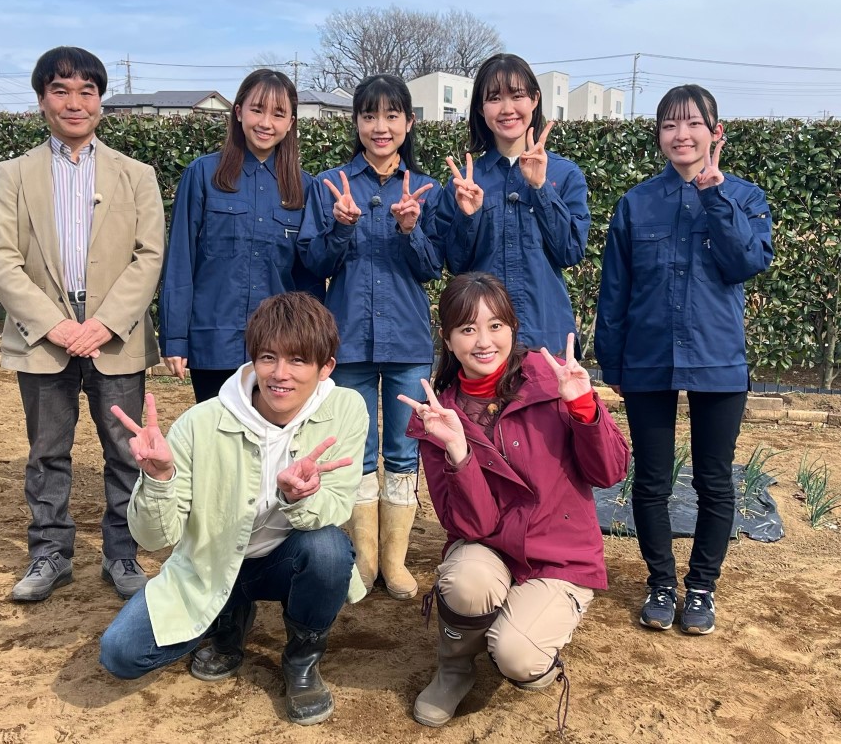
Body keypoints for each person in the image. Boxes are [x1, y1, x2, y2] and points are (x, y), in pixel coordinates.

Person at [99, 292, 369, 727]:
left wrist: (295, 497)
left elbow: (335, 506)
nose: (281, 375)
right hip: (212, 566)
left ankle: (302, 659)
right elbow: (153, 539)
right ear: (253, 360)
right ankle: (228, 618)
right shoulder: (199, 423)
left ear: (326, 368)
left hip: (288, 560)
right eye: (268, 358)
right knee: (120, 654)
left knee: (328, 549)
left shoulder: (346, 410)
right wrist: (159, 478)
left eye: (299, 361)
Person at [401, 272, 629, 728]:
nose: (484, 342)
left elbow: (610, 472)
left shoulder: (552, 380)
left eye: (496, 326)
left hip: (559, 552)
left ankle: (523, 635)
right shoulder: (440, 416)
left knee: (517, 656)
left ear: (512, 329)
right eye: (467, 329)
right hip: (490, 546)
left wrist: (584, 406)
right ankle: (454, 667)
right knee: (466, 581)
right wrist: (459, 451)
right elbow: (472, 526)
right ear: (447, 339)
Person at [0, 46, 165, 603]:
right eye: (61, 90)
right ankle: (50, 553)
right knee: (47, 450)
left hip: (117, 335)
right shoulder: (13, 175)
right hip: (45, 337)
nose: (74, 102)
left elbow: (149, 255)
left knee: (125, 448)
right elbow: (1, 257)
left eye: (87, 91)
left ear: (101, 102)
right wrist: (55, 325)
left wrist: (105, 322)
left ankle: (122, 553)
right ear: (42, 100)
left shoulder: (136, 175)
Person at [595, 84, 773, 635]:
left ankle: (701, 588)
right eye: (670, 125)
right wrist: (613, 362)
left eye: (693, 123)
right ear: (659, 136)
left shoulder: (743, 197)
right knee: (649, 480)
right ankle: (661, 582)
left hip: (718, 360)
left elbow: (746, 262)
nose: (682, 135)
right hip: (648, 357)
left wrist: (716, 198)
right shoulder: (636, 202)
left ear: (715, 132)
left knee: (714, 480)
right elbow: (615, 289)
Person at [298, 75, 440, 600]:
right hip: (349, 340)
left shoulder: (426, 188)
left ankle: (396, 565)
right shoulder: (330, 185)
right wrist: (338, 227)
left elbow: (432, 268)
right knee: (356, 452)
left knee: (404, 451)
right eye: (369, 116)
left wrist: (410, 229)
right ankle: (364, 560)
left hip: (406, 341)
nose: (380, 127)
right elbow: (313, 262)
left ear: (408, 122)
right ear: (356, 122)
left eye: (392, 115)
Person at [158, 69, 324, 403]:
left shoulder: (304, 187)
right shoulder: (203, 175)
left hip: (280, 350)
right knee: (218, 441)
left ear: (291, 122)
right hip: (213, 339)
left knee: (273, 443)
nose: (266, 123)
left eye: (279, 114)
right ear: (238, 112)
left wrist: (309, 346)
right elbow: (180, 260)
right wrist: (175, 338)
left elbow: (308, 279)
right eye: (257, 110)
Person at [435, 53, 590, 354]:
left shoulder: (564, 174)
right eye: (494, 98)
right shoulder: (467, 181)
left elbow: (570, 251)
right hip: (484, 345)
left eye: (517, 96)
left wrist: (541, 188)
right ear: (481, 109)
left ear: (534, 99)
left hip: (547, 337)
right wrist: (468, 217)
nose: (507, 109)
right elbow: (456, 265)